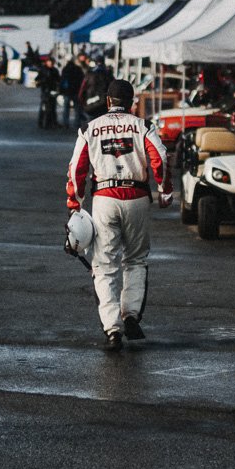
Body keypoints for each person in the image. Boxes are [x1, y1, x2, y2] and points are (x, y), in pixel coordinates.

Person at [66, 78, 172, 350]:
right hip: (137, 197)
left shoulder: (89, 128)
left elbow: (76, 168)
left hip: (104, 198)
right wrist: (165, 190)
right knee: (135, 259)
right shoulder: (143, 126)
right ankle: (131, 314)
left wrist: (75, 203)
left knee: (104, 265)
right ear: (132, 101)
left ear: (108, 101)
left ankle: (112, 329)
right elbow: (160, 157)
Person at [79, 55, 112, 122]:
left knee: (91, 123)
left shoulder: (89, 74)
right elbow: (114, 88)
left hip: (91, 103)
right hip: (104, 104)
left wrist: (81, 100)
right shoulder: (108, 74)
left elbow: (82, 89)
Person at [59, 54, 85, 127]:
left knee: (66, 108)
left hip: (67, 91)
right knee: (77, 108)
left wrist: (61, 90)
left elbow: (62, 80)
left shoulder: (65, 69)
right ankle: (77, 123)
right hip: (76, 90)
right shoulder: (77, 68)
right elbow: (82, 79)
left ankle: (65, 123)